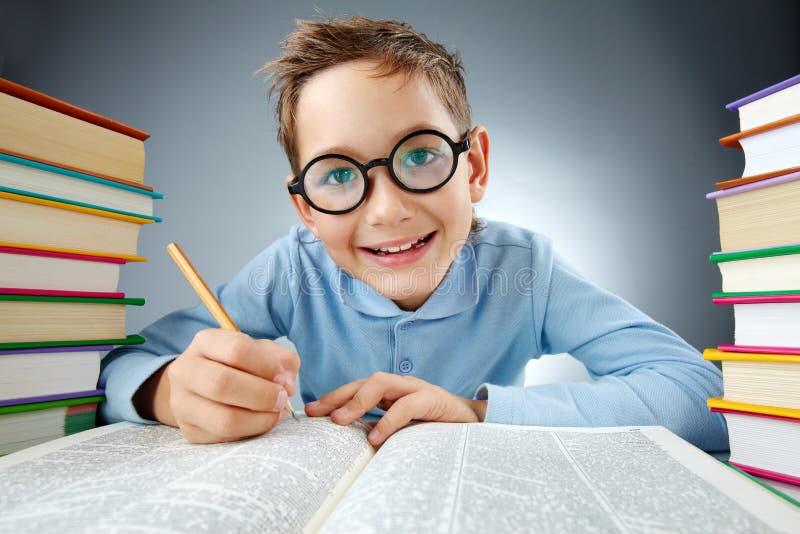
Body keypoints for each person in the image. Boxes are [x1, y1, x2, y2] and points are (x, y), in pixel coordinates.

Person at [99, 15, 728, 451]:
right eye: (338, 175)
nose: (387, 211)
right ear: (307, 210)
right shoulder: (291, 273)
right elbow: (121, 367)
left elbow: (703, 394)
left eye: (420, 155)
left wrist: (477, 414)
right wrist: (171, 392)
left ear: (474, 166)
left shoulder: (524, 270)